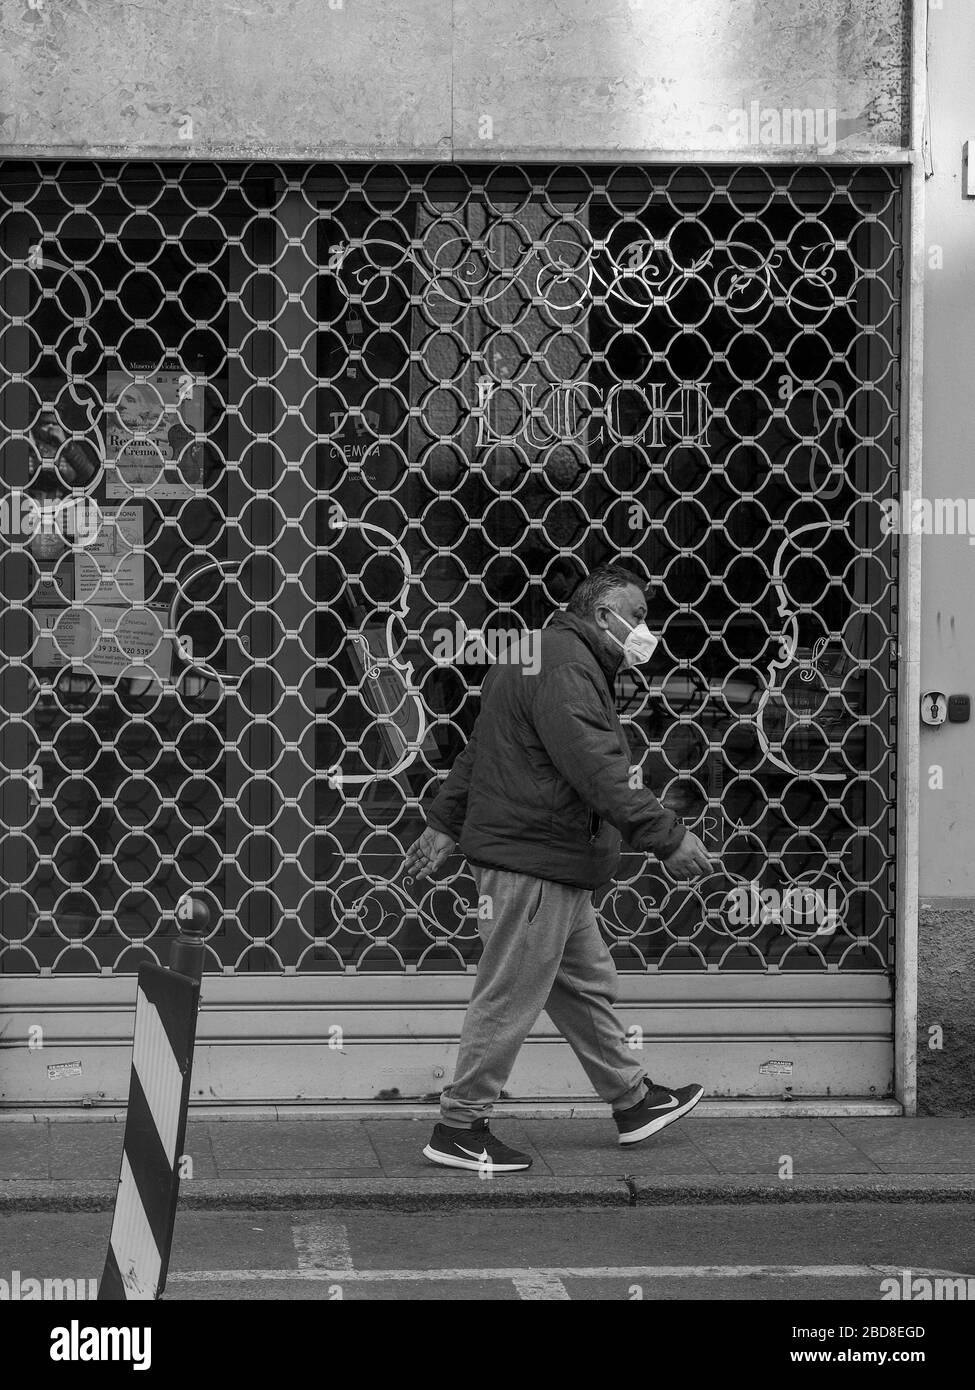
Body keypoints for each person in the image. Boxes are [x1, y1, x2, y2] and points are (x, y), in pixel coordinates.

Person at [404, 563, 718, 1173]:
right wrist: (667, 837)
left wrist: (444, 822)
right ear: (605, 615)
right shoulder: (567, 667)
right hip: (535, 862)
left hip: (549, 863)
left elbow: (480, 748)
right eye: (640, 616)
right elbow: (597, 769)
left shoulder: (534, 651)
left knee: (581, 986)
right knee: (510, 993)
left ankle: (633, 1102)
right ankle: (459, 1125)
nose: (644, 630)